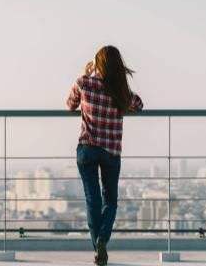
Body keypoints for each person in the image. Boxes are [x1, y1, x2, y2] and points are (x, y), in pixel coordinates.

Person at [66, 46, 143, 266]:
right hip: (111, 151)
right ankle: (102, 240)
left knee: (93, 200)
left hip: (87, 148)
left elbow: (70, 105)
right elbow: (139, 105)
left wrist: (87, 73)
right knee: (110, 201)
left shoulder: (84, 83)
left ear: (97, 64)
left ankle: (97, 248)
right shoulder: (120, 91)